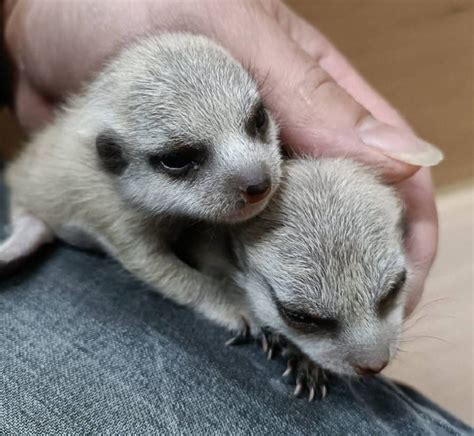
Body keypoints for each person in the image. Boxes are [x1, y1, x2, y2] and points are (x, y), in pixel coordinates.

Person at [0, 1, 469, 433]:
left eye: (257, 121)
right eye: (182, 159)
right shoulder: (109, 194)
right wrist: (222, 303)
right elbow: (151, 256)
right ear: (118, 161)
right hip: (39, 201)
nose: (256, 175)